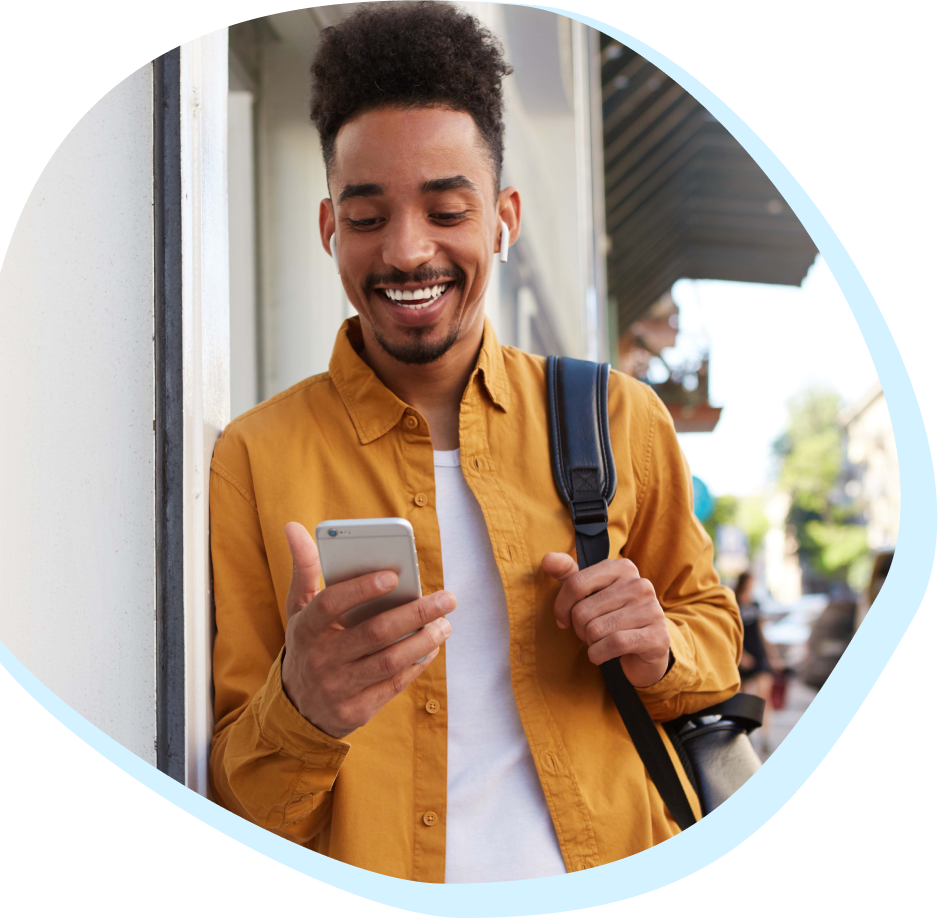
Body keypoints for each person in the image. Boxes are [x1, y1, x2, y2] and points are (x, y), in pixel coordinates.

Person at [207, 3, 742, 883]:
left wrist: (659, 645)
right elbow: (241, 798)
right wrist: (303, 707)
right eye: (368, 217)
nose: (407, 251)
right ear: (327, 229)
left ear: (503, 218)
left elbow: (711, 643)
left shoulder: (619, 417)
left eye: (446, 209)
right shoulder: (255, 457)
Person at [734, 571, 782, 754]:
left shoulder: (756, 605)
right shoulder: (734, 604)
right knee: (744, 698)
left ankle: (765, 737)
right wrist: (741, 655)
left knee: (764, 697)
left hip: (758, 654)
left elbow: (762, 631)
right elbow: (733, 633)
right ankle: (745, 736)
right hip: (743, 657)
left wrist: (773, 655)